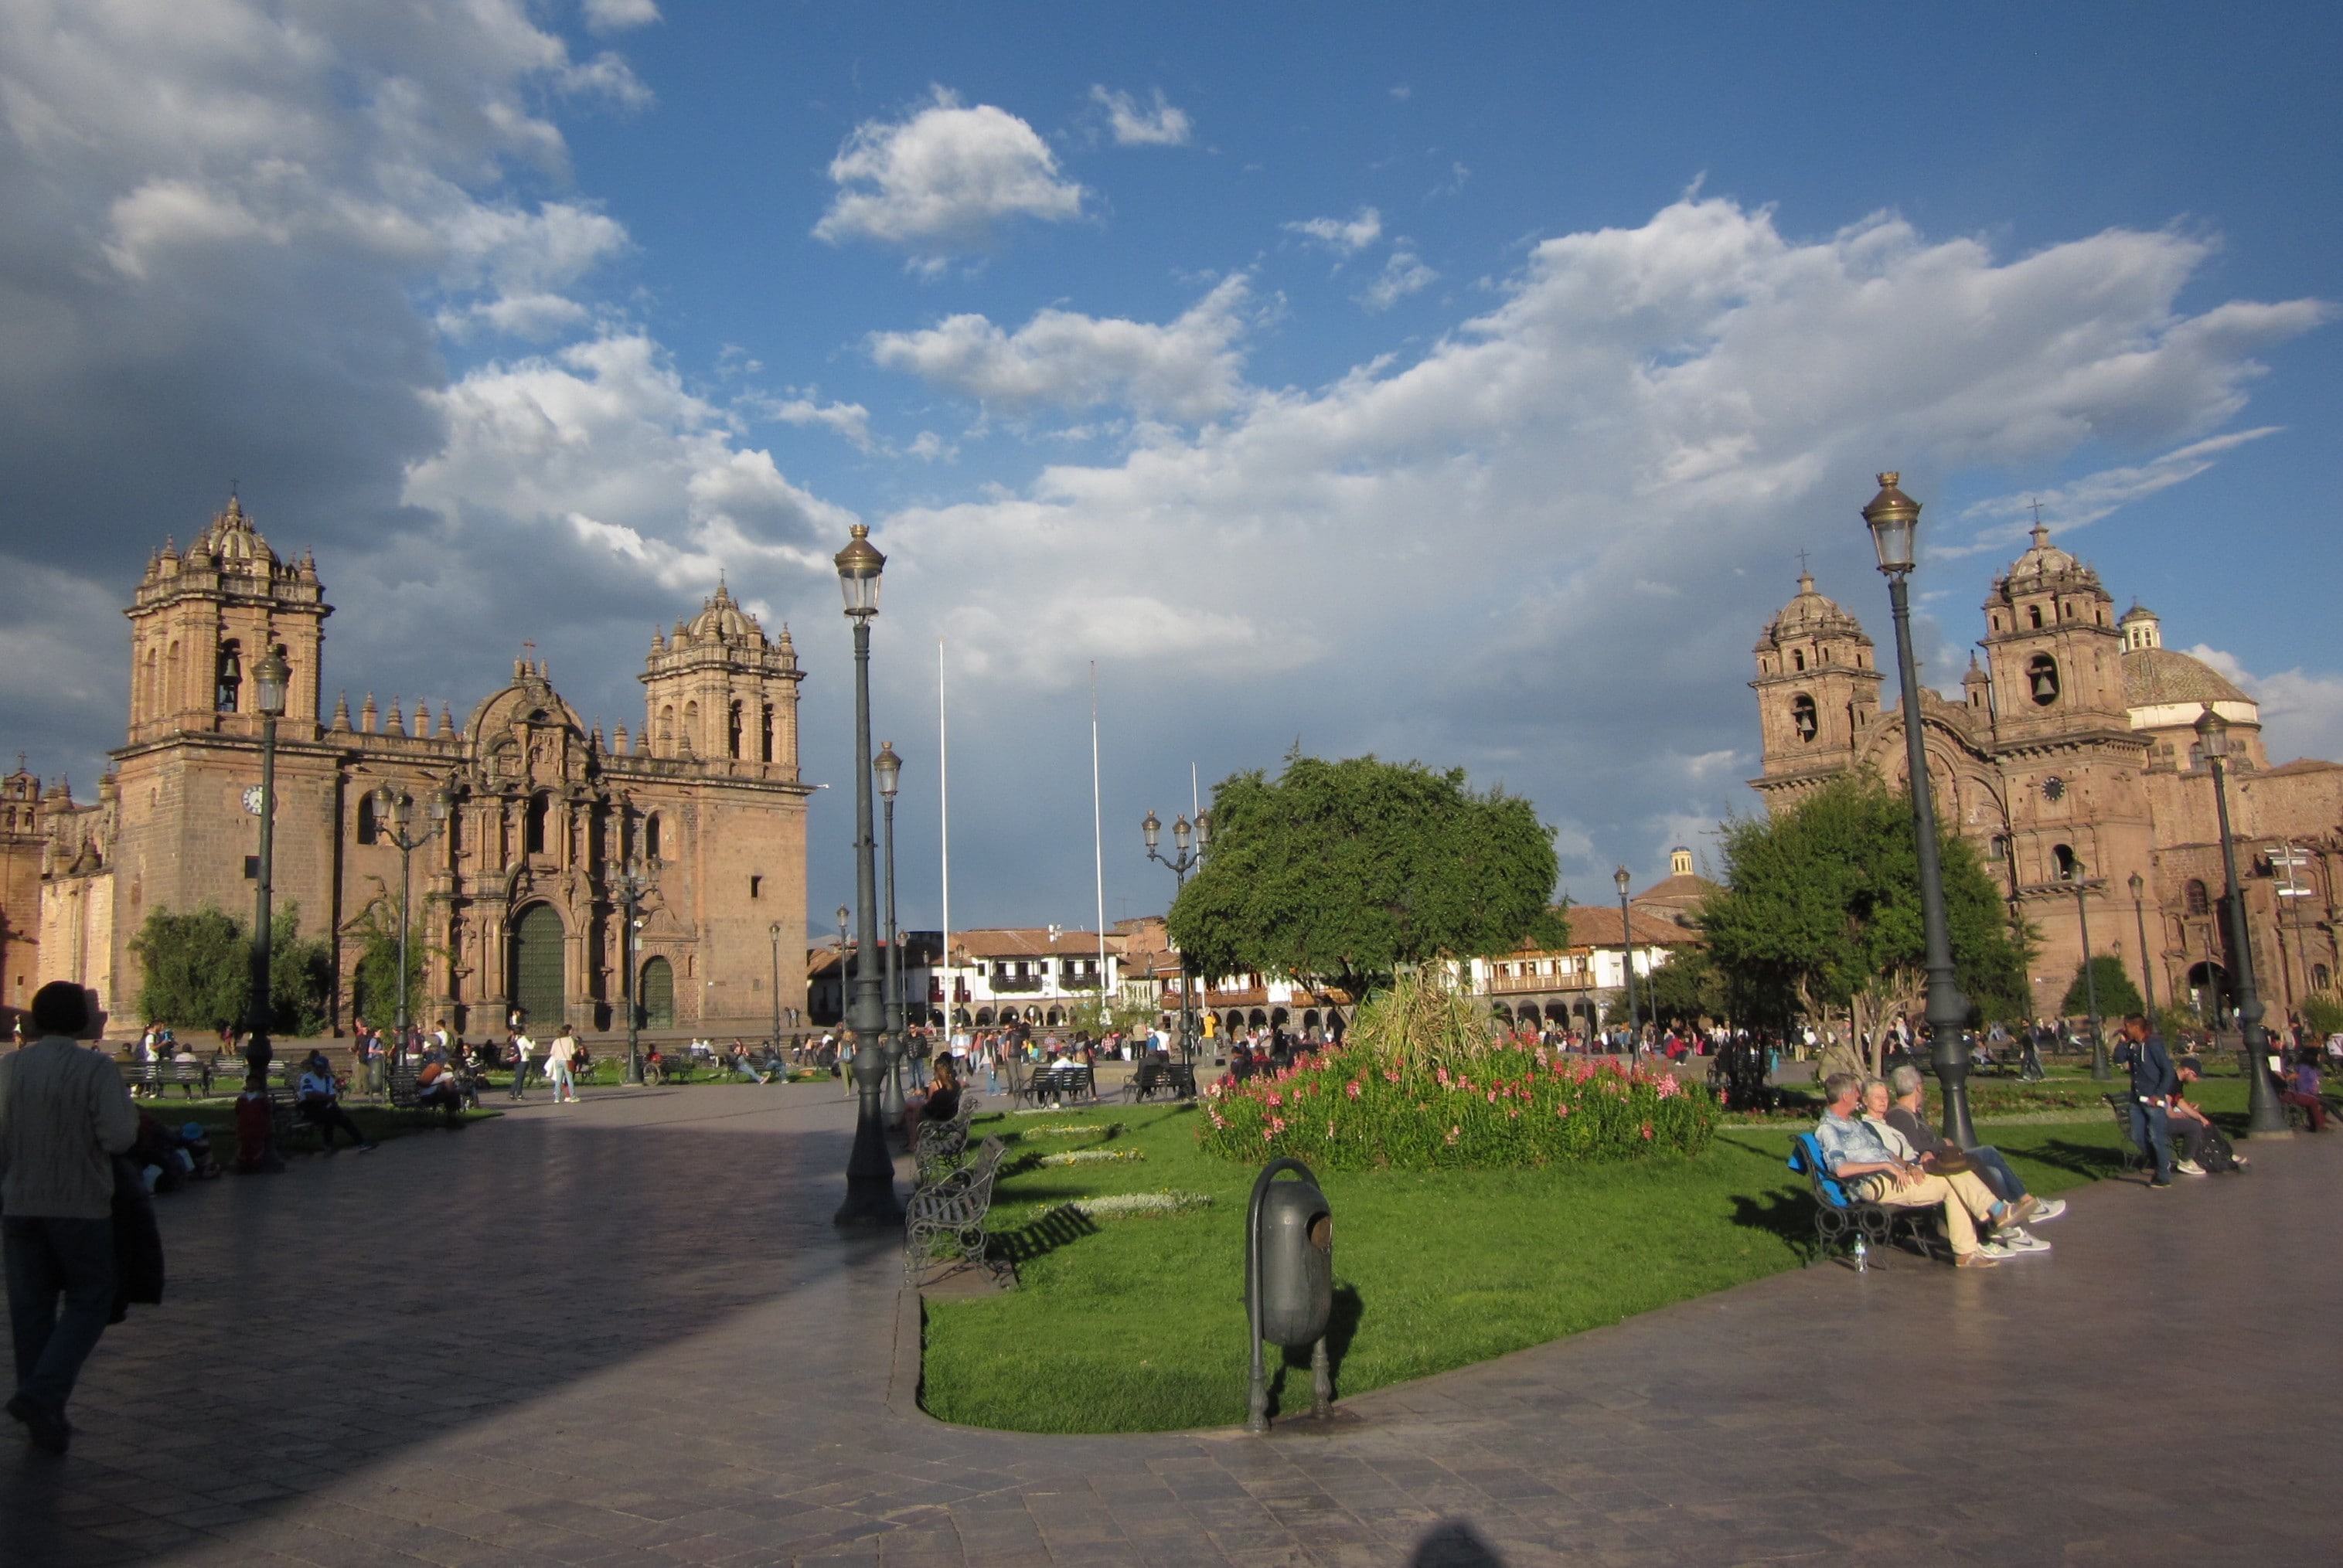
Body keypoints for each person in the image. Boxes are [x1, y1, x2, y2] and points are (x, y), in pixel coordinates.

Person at [1, 981, 140, 1453]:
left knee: (30, 1310)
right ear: (82, 1021)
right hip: (81, 1205)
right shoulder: (94, 1068)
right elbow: (119, 1137)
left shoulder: (10, 1067)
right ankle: (42, 1395)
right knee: (91, 1298)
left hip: (20, 1202)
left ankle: (45, 1417)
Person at [1813, 1071, 2014, 1268]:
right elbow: (1841, 1169)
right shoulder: (1829, 1129)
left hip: (1891, 1175)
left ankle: (1969, 1251)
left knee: (1953, 1177)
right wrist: (1884, 1166)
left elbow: (1885, 1152)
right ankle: (1996, 1212)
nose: (1859, 1095)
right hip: (1872, 1183)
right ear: (1846, 1096)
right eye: (1857, 1092)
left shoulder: (1854, 1123)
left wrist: (1908, 1166)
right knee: (1952, 1178)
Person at [1868, 1073, 2051, 1253]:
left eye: (1885, 1096)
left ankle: (1999, 1224)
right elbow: (1904, 1152)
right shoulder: (1891, 1119)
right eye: (1878, 1097)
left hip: (1922, 1164)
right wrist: (1930, 1152)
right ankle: (1999, 1226)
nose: (1884, 1101)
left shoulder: (1889, 1121)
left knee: (1980, 1162)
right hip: (1917, 1168)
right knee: (1974, 1168)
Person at [1882, 1065, 2066, 1223]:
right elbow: (1917, 1148)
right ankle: (2011, 1212)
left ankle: (2023, 1202)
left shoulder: (1912, 1114)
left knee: (1989, 1153)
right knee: (1992, 1169)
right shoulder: (1900, 1115)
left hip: (1941, 1158)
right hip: (1935, 1164)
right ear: (1919, 1088)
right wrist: (1943, 1143)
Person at [2110, 1013, 2178, 1188]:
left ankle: (2163, 1175)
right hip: (2137, 1098)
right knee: (2137, 1135)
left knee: (2156, 1136)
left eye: (2126, 1026)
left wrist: (2159, 1093)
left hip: (2153, 1099)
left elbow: (2169, 1071)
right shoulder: (2132, 1045)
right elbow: (2118, 1059)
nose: (2124, 1029)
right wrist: (2123, 1042)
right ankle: (2160, 1161)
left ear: (2135, 1027)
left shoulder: (2153, 1045)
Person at [2168, 1059, 2246, 1174]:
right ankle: (2186, 1161)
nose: (2196, 1079)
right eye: (2195, 1076)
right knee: (2194, 1126)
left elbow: (2180, 1102)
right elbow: (2166, 1100)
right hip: (2162, 1119)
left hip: (2169, 1114)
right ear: (2186, 1071)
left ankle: (2226, 1153)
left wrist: (2200, 1117)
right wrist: (2174, 1114)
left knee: (2207, 1124)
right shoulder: (2171, 1080)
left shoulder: (2178, 1082)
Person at [295, 1053, 376, 1154]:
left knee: (334, 1117)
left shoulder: (329, 1080)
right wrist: (325, 1097)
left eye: (319, 1067)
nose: (316, 1069)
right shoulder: (307, 1078)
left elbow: (332, 1097)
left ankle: (337, 1144)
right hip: (308, 1108)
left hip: (324, 1107)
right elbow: (309, 1095)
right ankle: (359, 1142)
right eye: (315, 1066)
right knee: (337, 1117)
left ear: (324, 1068)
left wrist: (320, 1096)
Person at [2280, 1049, 2327, 1132]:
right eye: (2317, 1056)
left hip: (2307, 1092)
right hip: (2298, 1093)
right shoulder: (2303, 1067)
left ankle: (2318, 1123)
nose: (2319, 1058)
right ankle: (2319, 1125)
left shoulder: (2311, 1067)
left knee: (2321, 1102)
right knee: (2313, 1102)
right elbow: (2300, 1083)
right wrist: (2311, 1093)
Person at [546, 1026, 581, 1104]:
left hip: (557, 1061)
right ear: (568, 1031)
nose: (572, 1031)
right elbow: (572, 1052)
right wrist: (577, 1049)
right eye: (571, 1030)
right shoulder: (570, 1040)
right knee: (569, 1079)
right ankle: (573, 1097)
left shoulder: (556, 1040)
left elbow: (552, 1052)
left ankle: (557, 1098)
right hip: (566, 1061)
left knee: (558, 1080)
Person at [506, 1029, 535, 1100]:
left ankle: (512, 1093)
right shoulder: (523, 1039)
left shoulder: (514, 1039)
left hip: (516, 1059)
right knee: (520, 1078)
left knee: (518, 1077)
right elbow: (531, 1047)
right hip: (523, 1060)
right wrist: (533, 1041)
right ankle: (519, 1095)